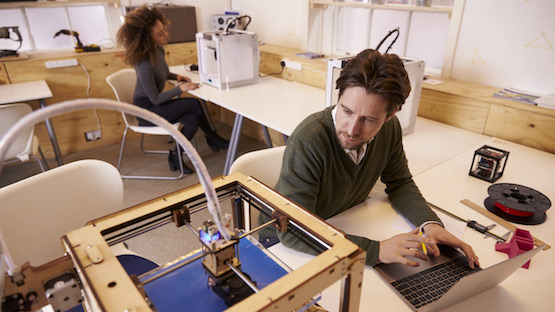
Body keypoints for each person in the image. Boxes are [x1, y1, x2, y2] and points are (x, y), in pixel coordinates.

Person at [259, 49, 479, 269]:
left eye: (369, 119)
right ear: (338, 97)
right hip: (282, 244)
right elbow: (294, 232)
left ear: (390, 115)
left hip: (341, 226)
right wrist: (376, 251)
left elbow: (400, 182)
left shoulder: (389, 129)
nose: (352, 130)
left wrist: (429, 224)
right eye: (346, 111)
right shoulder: (309, 140)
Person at [117, 5, 229, 173]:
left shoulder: (157, 50)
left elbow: (162, 71)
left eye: (164, 30)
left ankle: (176, 155)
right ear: (146, 38)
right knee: (193, 104)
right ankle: (213, 138)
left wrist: (175, 77)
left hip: (156, 105)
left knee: (192, 119)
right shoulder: (143, 63)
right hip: (146, 111)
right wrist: (180, 88)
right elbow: (154, 99)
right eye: (160, 34)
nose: (166, 35)